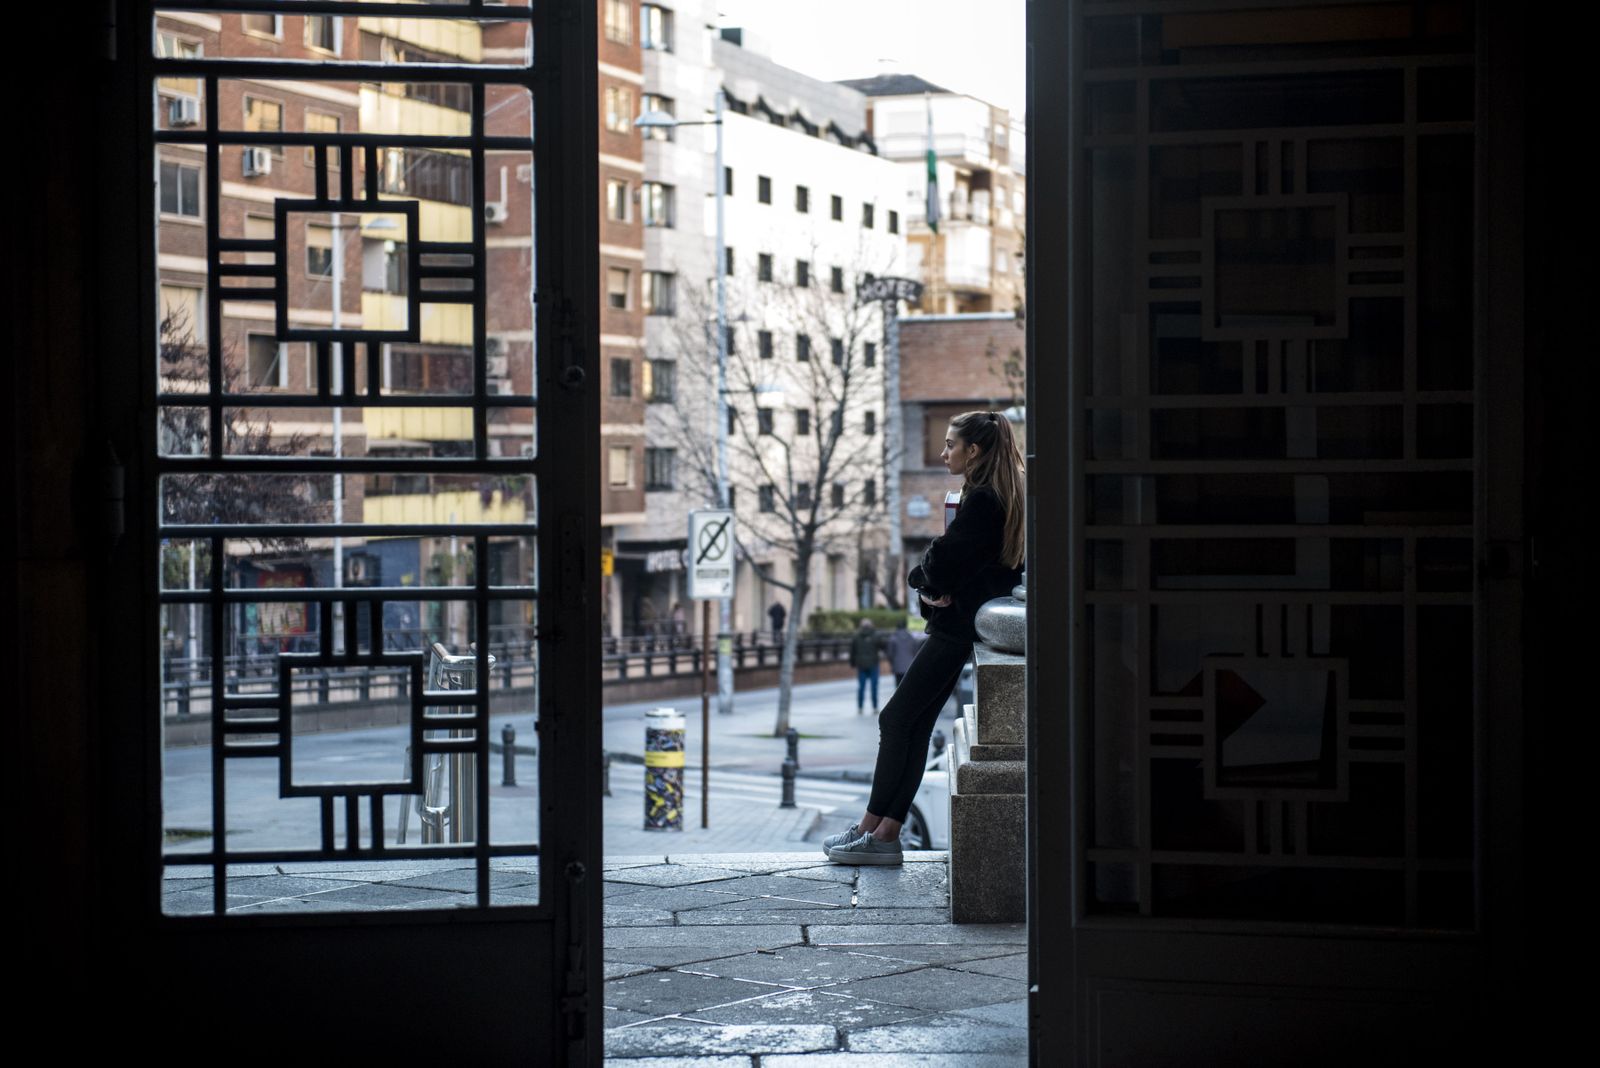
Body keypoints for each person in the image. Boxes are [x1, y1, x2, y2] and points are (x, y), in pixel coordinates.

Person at [824, 411, 1025, 865]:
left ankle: (874, 831)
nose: (944, 452)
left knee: (896, 720)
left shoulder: (983, 501)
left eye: (951, 444)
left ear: (973, 451)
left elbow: (942, 560)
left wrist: (924, 578)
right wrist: (936, 584)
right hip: (965, 623)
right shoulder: (1001, 493)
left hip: (956, 630)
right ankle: (881, 831)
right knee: (911, 724)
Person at [850, 618, 885, 714]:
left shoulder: (856, 636)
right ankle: (875, 707)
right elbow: (883, 646)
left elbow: (853, 651)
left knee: (861, 687)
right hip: (873, 664)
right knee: (874, 687)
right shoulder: (876, 635)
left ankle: (860, 707)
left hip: (861, 665)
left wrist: (852, 663)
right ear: (871, 625)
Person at [885, 618, 920, 686]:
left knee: (899, 687)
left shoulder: (893, 638)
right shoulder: (911, 638)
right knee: (909, 686)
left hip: (897, 666)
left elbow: (890, 654)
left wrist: (892, 663)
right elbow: (916, 652)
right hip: (910, 666)